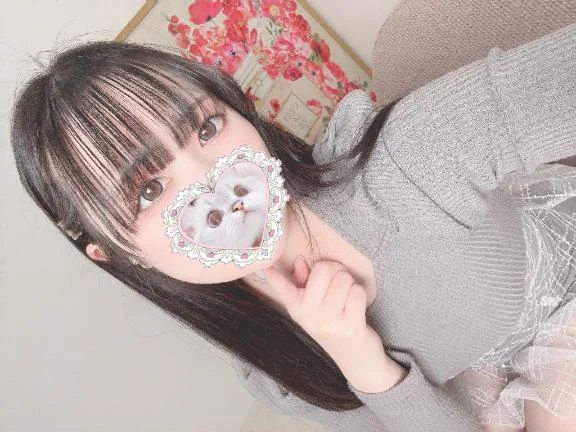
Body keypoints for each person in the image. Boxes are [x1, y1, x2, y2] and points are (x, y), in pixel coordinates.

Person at [10, 19, 576, 432]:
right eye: (149, 191)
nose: (215, 183)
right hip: (478, 372)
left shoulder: (410, 159)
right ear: (114, 252)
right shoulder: (273, 367)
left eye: (207, 129)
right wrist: (361, 360)